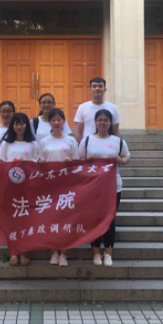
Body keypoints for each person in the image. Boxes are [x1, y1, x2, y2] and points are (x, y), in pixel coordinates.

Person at [78, 109, 131, 267]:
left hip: (113, 186)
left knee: (109, 219)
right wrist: (87, 161)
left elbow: (127, 156)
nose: (102, 123)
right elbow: (79, 160)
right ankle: (95, 252)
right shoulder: (87, 140)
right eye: (99, 120)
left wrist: (121, 160)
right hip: (93, 187)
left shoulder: (117, 141)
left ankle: (108, 253)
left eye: (106, 120)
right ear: (95, 122)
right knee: (94, 219)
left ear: (110, 123)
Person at [0, 112, 39, 267]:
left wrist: (28, 161)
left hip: (28, 188)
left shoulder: (33, 144)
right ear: (12, 126)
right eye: (16, 124)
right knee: (12, 219)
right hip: (10, 187)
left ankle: (24, 251)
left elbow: (39, 163)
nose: (19, 127)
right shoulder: (6, 144)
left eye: (22, 123)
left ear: (26, 125)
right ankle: (13, 252)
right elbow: (0, 162)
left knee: (26, 219)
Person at [37, 108, 79, 267]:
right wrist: (41, 161)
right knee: (51, 219)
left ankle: (63, 253)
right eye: (53, 120)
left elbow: (77, 162)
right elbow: (39, 159)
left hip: (66, 186)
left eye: (59, 120)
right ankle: (53, 251)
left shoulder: (71, 140)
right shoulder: (44, 141)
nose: (56, 122)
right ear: (49, 122)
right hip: (49, 186)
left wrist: (70, 162)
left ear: (63, 121)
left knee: (65, 220)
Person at [74, 77, 121, 143]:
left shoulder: (113, 108)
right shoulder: (82, 107)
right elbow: (78, 132)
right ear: (90, 89)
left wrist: (118, 145)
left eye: (100, 86)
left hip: (108, 144)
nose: (97, 89)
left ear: (105, 89)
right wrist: (79, 147)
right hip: (88, 144)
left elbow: (116, 131)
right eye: (94, 86)